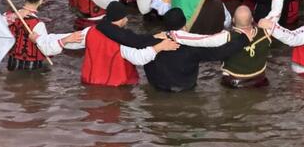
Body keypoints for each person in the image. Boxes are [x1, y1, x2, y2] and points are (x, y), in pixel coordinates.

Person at [97, 6, 252, 92]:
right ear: (185, 25)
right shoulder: (194, 45)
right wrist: (244, 38)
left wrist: (103, 23)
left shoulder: (151, 38)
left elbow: (125, 38)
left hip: (156, 87)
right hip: (184, 90)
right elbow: (221, 52)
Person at [169, 0, 284, 88]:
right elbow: (276, 12)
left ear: (233, 20)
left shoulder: (226, 37)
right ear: (252, 19)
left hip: (234, 84)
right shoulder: (266, 31)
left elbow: (201, 40)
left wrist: (175, 35)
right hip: (260, 81)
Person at [70, 2, 179, 87]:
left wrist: (61, 42)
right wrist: (160, 46)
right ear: (120, 19)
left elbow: (70, 42)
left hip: (90, 82)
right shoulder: (122, 42)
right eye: (125, 17)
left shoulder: (89, 31)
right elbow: (139, 58)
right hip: (115, 88)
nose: (127, 20)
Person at [5, 0, 82, 71]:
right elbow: (46, 48)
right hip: (31, 66)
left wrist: (14, 16)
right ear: (41, 1)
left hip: (12, 62)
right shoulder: (38, 24)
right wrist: (65, 40)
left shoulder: (7, 16)